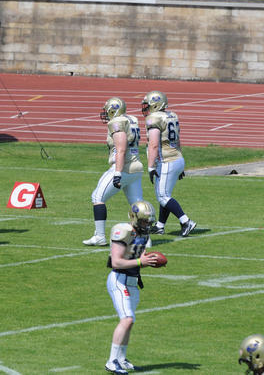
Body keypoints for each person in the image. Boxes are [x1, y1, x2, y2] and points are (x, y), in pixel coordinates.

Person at [104, 200, 161, 374]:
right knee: (127, 319)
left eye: (149, 221)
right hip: (119, 280)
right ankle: (111, 361)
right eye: (144, 221)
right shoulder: (124, 231)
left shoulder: (143, 234)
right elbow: (116, 262)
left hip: (132, 281)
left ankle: (121, 359)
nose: (147, 224)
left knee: (130, 321)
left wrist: (149, 261)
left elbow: (138, 259)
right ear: (135, 218)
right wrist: (140, 261)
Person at [83, 97, 144, 247]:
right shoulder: (132, 119)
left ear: (113, 110)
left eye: (107, 110)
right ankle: (143, 238)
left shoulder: (117, 122)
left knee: (98, 197)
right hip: (136, 167)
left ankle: (99, 236)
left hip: (123, 167)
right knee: (137, 205)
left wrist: (117, 173)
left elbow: (121, 149)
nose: (105, 113)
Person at [141, 90, 197, 237]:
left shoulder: (154, 119)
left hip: (166, 161)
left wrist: (151, 167)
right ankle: (160, 226)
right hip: (177, 158)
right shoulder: (172, 115)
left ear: (155, 105)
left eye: (148, 105)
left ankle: (186, 222)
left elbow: (154, 145)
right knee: (165, 194)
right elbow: (178, 140)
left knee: (163, 196)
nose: (146, 108)